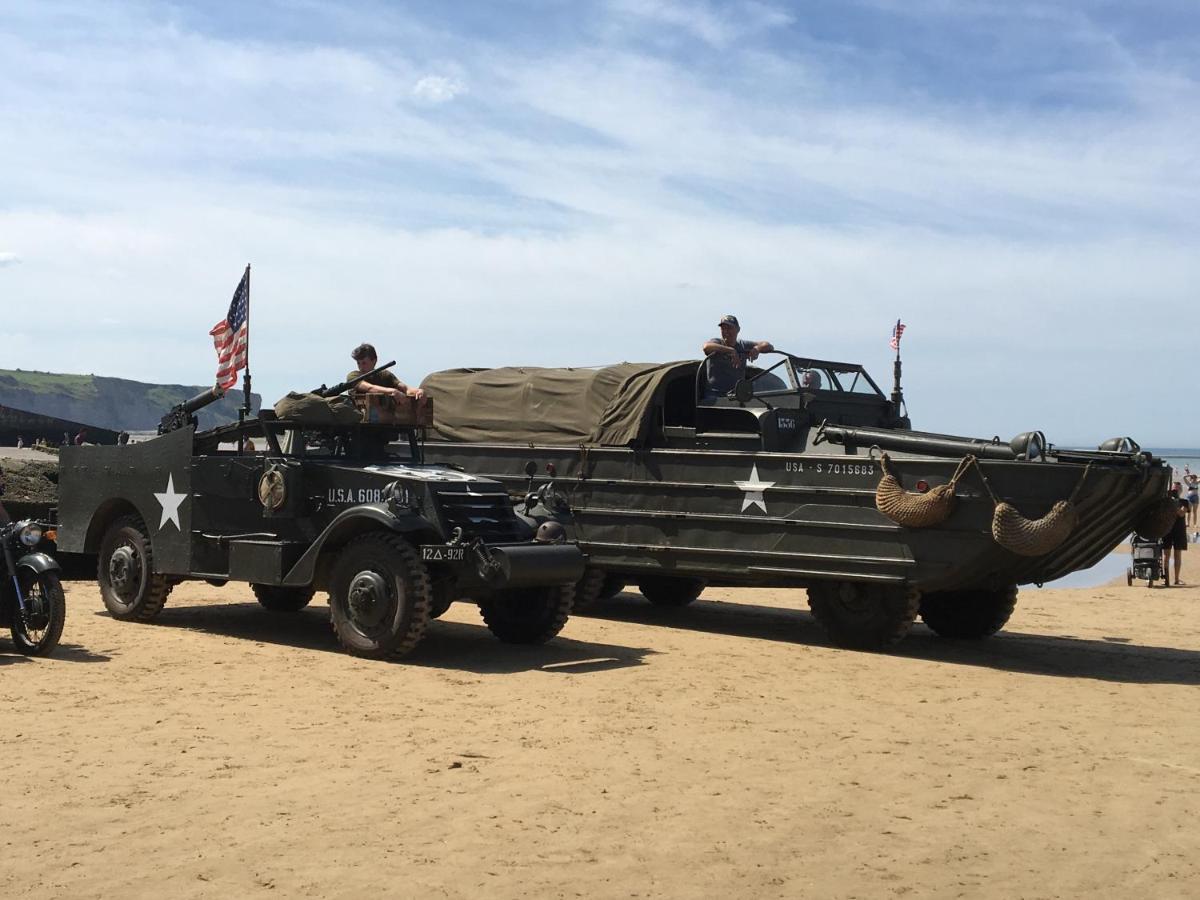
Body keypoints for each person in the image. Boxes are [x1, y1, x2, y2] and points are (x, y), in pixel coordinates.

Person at [701, 315, 774, 398]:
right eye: (723, 328)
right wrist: (731, 350)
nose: (726, 331)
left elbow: (769, 346)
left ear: (738, 329)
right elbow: (706, 347)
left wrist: (757, 348)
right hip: (715, 395)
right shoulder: (717, 342)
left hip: (736, 396)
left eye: (729, 328)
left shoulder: (743, 345)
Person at [348, 343, 424, 402]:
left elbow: (406, 389)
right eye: (358, 363)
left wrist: (418, 392)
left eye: (364, 363)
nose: (361, 367)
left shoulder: (385, 375)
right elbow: (370, 388)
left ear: (374, 361)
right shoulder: (353, 376)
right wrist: (392, 391)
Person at [1161, 484, 1189, 585]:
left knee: (1177, 555)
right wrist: (1169, 500)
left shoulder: (1184, 502)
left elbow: (1181, 513)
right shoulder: (1166, 501)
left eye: (1177, 490)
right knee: (1166, 555)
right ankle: (1166, 578)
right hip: (1167, 530)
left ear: (1181, 491)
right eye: (1173, 490)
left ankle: (1176, 579)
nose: (1175, 492)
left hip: (1179, 531)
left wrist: (1174, 504)